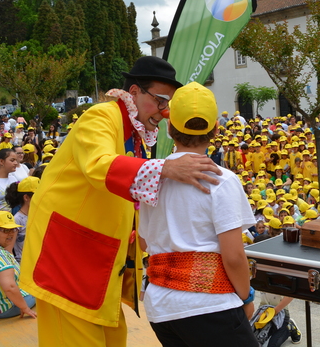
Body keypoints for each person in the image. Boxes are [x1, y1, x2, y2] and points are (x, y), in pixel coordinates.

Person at [21, 56, 222, 346]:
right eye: (161, 100)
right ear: (135, 92)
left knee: (114, 338)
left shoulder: (137, 134)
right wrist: (166, 168)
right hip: (68, 257)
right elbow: (99, 165)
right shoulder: (101, 116)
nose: (165, 112)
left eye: (169, 104)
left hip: (99, 259)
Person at [139, 82, 257, 345]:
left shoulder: (151, 176)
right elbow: (235, 256)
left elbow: (144, 242)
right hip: (209, 304)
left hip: (160, 305)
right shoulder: (221, 180)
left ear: (168, 128)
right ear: (216, 129)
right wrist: (246, 297)